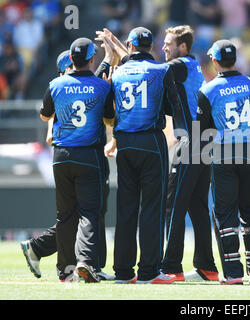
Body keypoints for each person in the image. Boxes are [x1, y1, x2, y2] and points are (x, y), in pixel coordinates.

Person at [20, 45, 117, 282]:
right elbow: (110, 118)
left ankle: (65, 270)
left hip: (61, 155)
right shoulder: (101, 86)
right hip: (89, 155)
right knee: (89, 213)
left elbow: (44, 115)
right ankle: (85, 261)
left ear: (71, 59)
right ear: (92, 58)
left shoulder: (56, 84)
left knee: (65, 215)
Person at [104, 27, 180, 284]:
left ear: (129, 44)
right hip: (151, 142)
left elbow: (108, 109)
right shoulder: (162, 70)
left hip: (124, 142)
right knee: (152, 208)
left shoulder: (118, 72)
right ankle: (149, 271)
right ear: (152, 45)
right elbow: (173, 106)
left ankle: (123, 272)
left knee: (125, 209)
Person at [197, 39, 250, 285]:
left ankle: (233, 274)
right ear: (234, 60)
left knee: (225, 213)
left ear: (215, 61)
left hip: (223, 154)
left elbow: (201, 132)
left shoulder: (207, 90)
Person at [159, 25, 219, 281]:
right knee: (197, 206)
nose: (163, 47)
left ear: (182, 47)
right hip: (204, 139)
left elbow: (148, 71)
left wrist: (122, 54)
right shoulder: (192, 65)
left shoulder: (178, 65)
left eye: (168, 43)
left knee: (174, 204)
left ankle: (171, 266)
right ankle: (207, 267)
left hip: (191, 141)